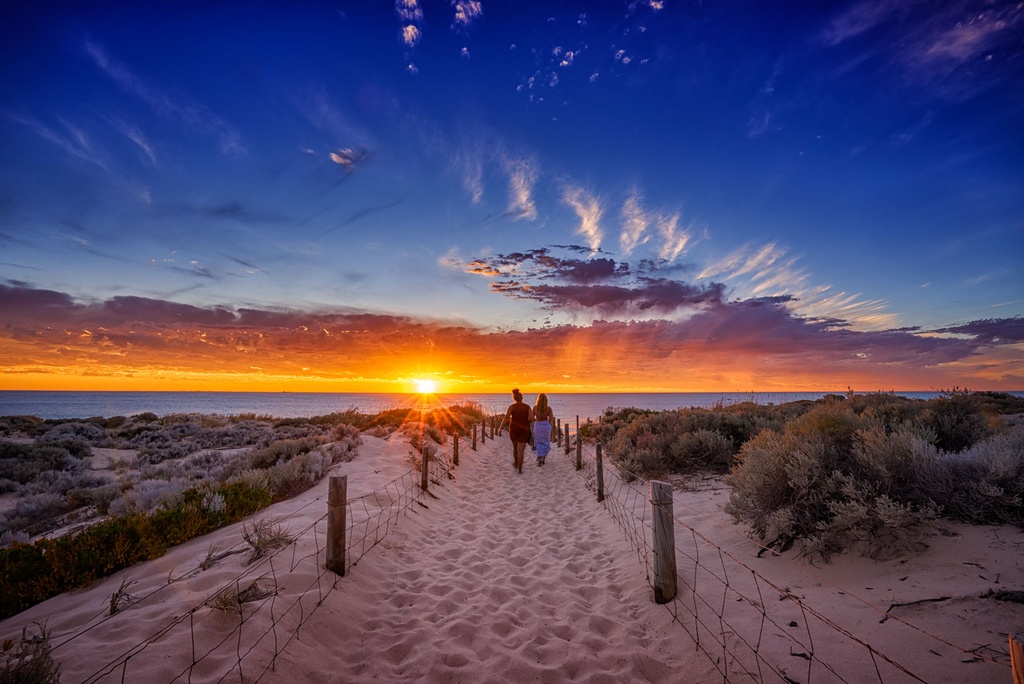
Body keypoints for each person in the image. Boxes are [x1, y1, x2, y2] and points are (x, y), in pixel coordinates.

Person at [498, 388, 532, 473]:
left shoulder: (512, 407)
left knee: (515, 448)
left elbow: (506, 418)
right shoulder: (527, 407)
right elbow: (531, 418)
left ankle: (516, 464)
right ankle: (520, 469)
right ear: (522, 398)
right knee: (521, 450)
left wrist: (500, 427)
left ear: (514, 398)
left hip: (514, 429)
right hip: (524, 430)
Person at [532, 393, 555, 466]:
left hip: (538, 426)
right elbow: (551, 419)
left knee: (538, 442)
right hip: (545, 426)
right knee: (545, 442)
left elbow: (532, 418)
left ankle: (540, 457)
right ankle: (543, 457)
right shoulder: (548, 408)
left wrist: (536, 420)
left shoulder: (535, 408)